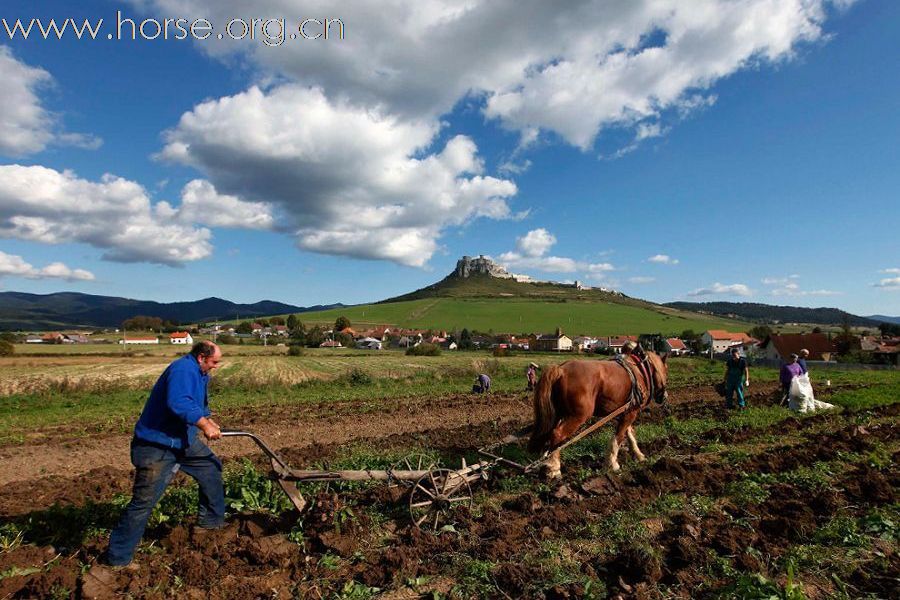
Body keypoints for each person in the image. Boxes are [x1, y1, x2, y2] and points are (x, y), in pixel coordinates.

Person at [103, 341, 224, 567]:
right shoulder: (182, 369)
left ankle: (209, 523)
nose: (216, 366)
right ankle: (117, 559)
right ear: (201, 357)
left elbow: (198, 403)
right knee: (144, 502)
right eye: (214, 361)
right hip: (156, 445)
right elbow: (178, 402)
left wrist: (208, 419)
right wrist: (203, 425)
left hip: (182, 440)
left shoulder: (200, 372)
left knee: (211, 467)